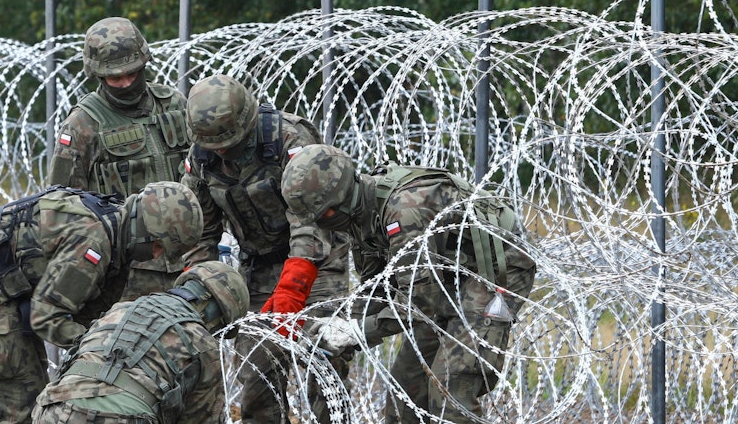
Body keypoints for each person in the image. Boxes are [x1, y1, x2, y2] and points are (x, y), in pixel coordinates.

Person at [279, 144, 537, 424]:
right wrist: (334, 332)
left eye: (322, 215)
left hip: (496, 271)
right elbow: (377, 290)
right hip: (446, 276)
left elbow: (418, 304)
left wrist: (355, 331)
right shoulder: (361, 216)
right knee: (406, 389)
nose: (320, 224)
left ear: (339, 199)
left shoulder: (404, 212)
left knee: (451, 386)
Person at [0, 182, 202, 424]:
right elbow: (47, 318)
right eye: (157, 246)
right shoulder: (94, 242)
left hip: (9, 285)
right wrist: (99, 348)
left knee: (39, 392)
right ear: (144, 228)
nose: (156, 256)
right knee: (22, 400)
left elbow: (93, 315)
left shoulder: (117, 233)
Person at [177, 74, 351, 423]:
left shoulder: (288, 139)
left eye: (228, 142)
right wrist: (201, 289)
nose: (221, 151)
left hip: (317, 260)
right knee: (257, 367)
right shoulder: (202, 157)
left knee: (326, 357)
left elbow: (310, 218)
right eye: (214, 145)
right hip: (258, 266)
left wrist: (294, 287)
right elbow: (198, 232)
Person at [50, 17, 195, 299]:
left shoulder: (174, 105)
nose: (126, 83)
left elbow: (204, 173)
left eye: (132, 73)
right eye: (115, 78)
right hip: (128, 274)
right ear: (98, 74)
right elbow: (63, 206)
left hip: (188, 258)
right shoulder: (82, 125)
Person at [31, 261, 250, 424]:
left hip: (54, 408)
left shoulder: (122, 309)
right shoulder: (204, 344)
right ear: (218, 316)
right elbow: (201, 418)